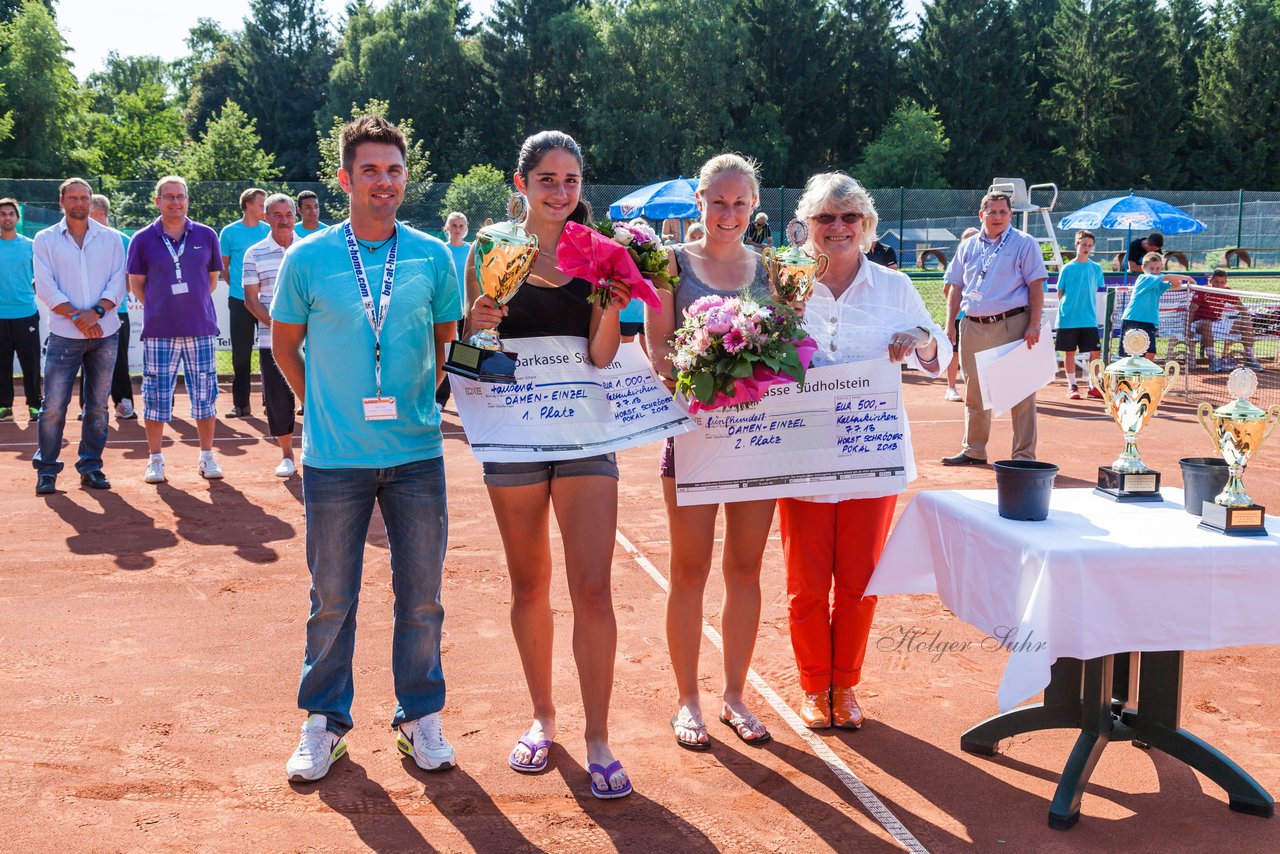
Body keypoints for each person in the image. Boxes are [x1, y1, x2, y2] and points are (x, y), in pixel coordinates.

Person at [270, 114, 462, 783]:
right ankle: (324, 721)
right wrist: (316, 406)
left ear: (407, 178)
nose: (384, 181)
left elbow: (450, 348)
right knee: (332, 598)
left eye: (395, 170)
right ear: (347, 179)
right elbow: (284, 347)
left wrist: (418, 401)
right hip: (333, 460)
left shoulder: (435, 256)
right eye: (371, 170)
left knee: (422, 597)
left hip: (416, 456)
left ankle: (419, 716)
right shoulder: (309, 257)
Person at [467, 131, 633, 800]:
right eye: (547, 179)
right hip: (513, 435)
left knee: (593, 589)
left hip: (585, 434)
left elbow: (601, 360)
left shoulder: (602, 256)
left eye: (570, 179)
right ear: (522, 183)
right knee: (529, 586)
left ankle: (597, 736)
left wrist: (611, 310)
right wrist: (478, 325)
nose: (560, 191)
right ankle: (542, 717)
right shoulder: (490, 250)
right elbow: (470, 359)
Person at [780, 173, 949, 728]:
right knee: (806, 584)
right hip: (802, 456)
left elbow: (939, 349)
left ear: (867, 225)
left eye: (849, 217)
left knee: (858, 584)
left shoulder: (895, 287)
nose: (837, 227)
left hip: (870, 457)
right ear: (807, 225)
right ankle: (812, 686)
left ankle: (845, 687)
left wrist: (922, 340)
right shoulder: (787, 284)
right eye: (825, 217)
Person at [645, 153, 776, 751]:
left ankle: (733, 696)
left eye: (739, 203)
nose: (728, 213)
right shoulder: (670, 265)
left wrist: (753, 382)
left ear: (753, 206)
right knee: (690, 570)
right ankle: (687, 700)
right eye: (717, 202)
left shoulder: (772, 271)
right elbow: (661, 357)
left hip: (757, 445)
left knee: (745, 570)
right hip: (693, 440)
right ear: (698, 202)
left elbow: (787, 354)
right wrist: (714, 376)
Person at [31, 178, 126, 495]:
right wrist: (78, 317)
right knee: (54, 406)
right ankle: (47, 470)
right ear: (62, 201)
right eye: (73, 198)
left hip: (105, 333)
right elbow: (45, 287)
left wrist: (96, 313)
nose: (79, 203)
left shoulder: (111, 239)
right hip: (64, 335)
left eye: (84, 198)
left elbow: (118, 282)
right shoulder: (44, 239)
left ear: (90, 201)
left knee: (98, 406)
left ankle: (91, 467)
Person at [127, 176, 225, 483]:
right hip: (159, 331)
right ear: (157, 201)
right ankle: (155, 459)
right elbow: (137, 287)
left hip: (200, 329)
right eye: (168, 197)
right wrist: (163, 307)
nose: (175, 202)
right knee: (155, 397)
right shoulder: (142, 239)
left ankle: (207, 457)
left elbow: (210, 282)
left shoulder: (207, 235)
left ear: (187, 200)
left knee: (205, 395)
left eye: (180, 196)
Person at [941, 191, 1048, 465]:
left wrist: (1034, 324)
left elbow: (1036, 284)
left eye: (1002, 212)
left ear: (1010, 215)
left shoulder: (1024, 243)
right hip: (973, 326)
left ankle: (1023, 455)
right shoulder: (967, 246)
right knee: (974, 391)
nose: (997, 217)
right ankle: (974, 449)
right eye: (992, 212)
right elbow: (955, 286)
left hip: (1013, 323)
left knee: (1020, 392)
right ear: (981, 215)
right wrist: (950, 324)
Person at [242, 194, 299, 477]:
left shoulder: (310, 250)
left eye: (288, 214)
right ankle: (287, 455)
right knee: (278, 398)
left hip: (315, 341)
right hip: (272, 340)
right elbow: (251, 301)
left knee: (320, 395)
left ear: (295, 216)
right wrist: (281, 331)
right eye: (277, 214)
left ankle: (322, 452)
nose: (283, 220)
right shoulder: (253, 253)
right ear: (266, 218)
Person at [81, 194, 137, 420]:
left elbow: (130, 280)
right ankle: (87, 405)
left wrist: (108, 302)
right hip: (86, 313)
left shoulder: (122, 240)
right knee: (87, 358)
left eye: (88, 209)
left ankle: (123, 402)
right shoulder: (80, 239)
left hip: (117, 311)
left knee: (118, 358)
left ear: (100, 213)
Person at [220, 187, 270, 418]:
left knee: (271, 351)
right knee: (241, 353)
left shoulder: (268, 230)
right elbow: (224, 266)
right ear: (249, 204)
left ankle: (271, 401)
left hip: (268, 301)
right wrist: (238, 289)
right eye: (262, 204)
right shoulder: (229, 232)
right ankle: (241, 404)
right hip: (240, 301)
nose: (265, 208)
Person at [0, 197, 41, 423]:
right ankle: (4, 406)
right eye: (2, 214)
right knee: (2, 364)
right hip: (0, 316)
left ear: (17, 218)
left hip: (26, 313)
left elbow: (42, 276)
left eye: (10, 214)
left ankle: (35, 405)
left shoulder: (30, 245)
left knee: (31, 363)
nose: (6, 217)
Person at [1055, 230, 1105, 400]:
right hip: (1068, 319)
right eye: (1083, 244)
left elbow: (1095, 289)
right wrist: (1070, 308)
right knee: (1069, 352)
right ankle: (1072, 386)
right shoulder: (1067, 269)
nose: (1086, 248)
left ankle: (1093, 386)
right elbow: (1060, 293)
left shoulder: (1096, 268)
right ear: (1076, 245)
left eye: (1090, 245)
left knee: (1095, 354)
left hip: (1088, 319)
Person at [1119, 252, 1195, 359]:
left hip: (1149, 322)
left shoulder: (1158, 283)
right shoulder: (1144, 278)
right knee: (1129, 354)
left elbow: (1176, 283)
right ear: (1143, 268)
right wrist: (1187, 277)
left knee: (1150, 353)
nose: (1155, 271)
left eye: (1158, 268)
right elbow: (1168, 277)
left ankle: (1145, 375)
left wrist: (1168, 277)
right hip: (1133, 320)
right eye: (1152, 268)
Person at [1191, 269, 1263, 372]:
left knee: (1245, 323)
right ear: (1211, 281)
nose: (1219, 285)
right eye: (1216, 281)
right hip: (1199, 324)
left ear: (1225, 282)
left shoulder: (1226, 291)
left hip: (1218, 323)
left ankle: (1250, 359)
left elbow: (1241, 308)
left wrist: (1249, 322)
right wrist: (1187, 329)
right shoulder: (1202, 291)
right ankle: (1213, 361)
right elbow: (1191, 310)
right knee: (1207, 323)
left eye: (1222, 282)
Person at [435, 211, 470, 409]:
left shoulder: (473, 250)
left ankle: (468, 400)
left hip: (467, 313)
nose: (457, 229)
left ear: (466, 229)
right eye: (453, 225)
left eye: (461, 226)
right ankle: (440, 399)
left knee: (466, 357)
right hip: (445, 312)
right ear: (446, 228)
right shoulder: (440, 250)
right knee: (445, 354)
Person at [941, 226, 979, 401]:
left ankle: (981, 389)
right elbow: (947, 289)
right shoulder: (956, 263)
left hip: (979, 317)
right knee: (954, 352)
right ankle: (951, 388)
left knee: (979, 353)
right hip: (959, 317)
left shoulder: (984, 261)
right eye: (969, 238)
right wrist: (958, 306)